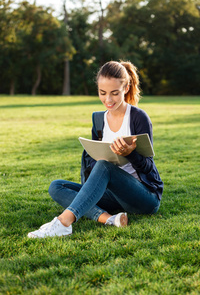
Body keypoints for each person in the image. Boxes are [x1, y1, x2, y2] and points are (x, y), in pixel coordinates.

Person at [28, 60, 164, 238]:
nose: (108, 100)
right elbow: (95, 158)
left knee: (104, 166)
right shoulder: (99, 120)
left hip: (143, 197)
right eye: (102, 93)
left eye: (114, 93)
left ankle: (64, 222)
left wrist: (130, 154)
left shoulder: (138, 117)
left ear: (126, 87)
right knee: (57, 186)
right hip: (113, 195)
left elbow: (148, 166)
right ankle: (108, 218)